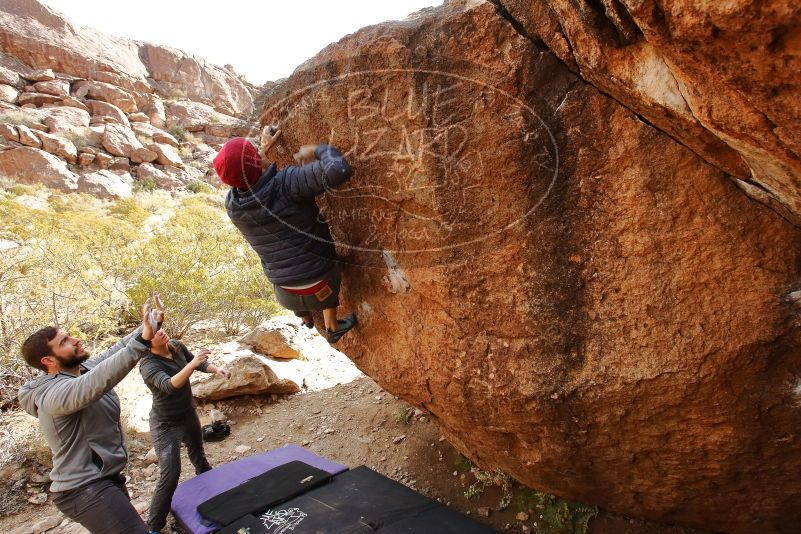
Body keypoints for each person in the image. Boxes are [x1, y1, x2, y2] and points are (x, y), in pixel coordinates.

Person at [17, 298, 163, 534]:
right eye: (64, 341)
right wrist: (143, 339)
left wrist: (150, 322)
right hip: (83, 488)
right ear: (48, 361)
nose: (76, 339)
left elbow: (118, 350)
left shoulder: (80, 370)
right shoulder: (53, 395)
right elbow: (95, 383)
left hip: (103, 479)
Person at [215, 125, 357, 343]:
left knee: (288, 264)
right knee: (320, 266)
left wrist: (263, 150)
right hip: (321, 283)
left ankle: (307, 318)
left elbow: (248, 177)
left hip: (284, 292)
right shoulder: (286, 184)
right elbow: (338, 169)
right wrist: (317, 149)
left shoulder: (233, 206)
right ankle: (332, 327)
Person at [138, 324, 228, 534]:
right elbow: (169, 384)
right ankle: (154, 526)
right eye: (154, 333)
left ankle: (214, 498)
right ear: (147, 343)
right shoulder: (148, 364)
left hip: (187, 414)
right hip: (165, 424)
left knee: (199, 455)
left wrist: (215, 369)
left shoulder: (176, 346)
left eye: (159, 328)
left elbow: (198, 365)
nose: (160, 332)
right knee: (170, 474)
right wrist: (193, 362)